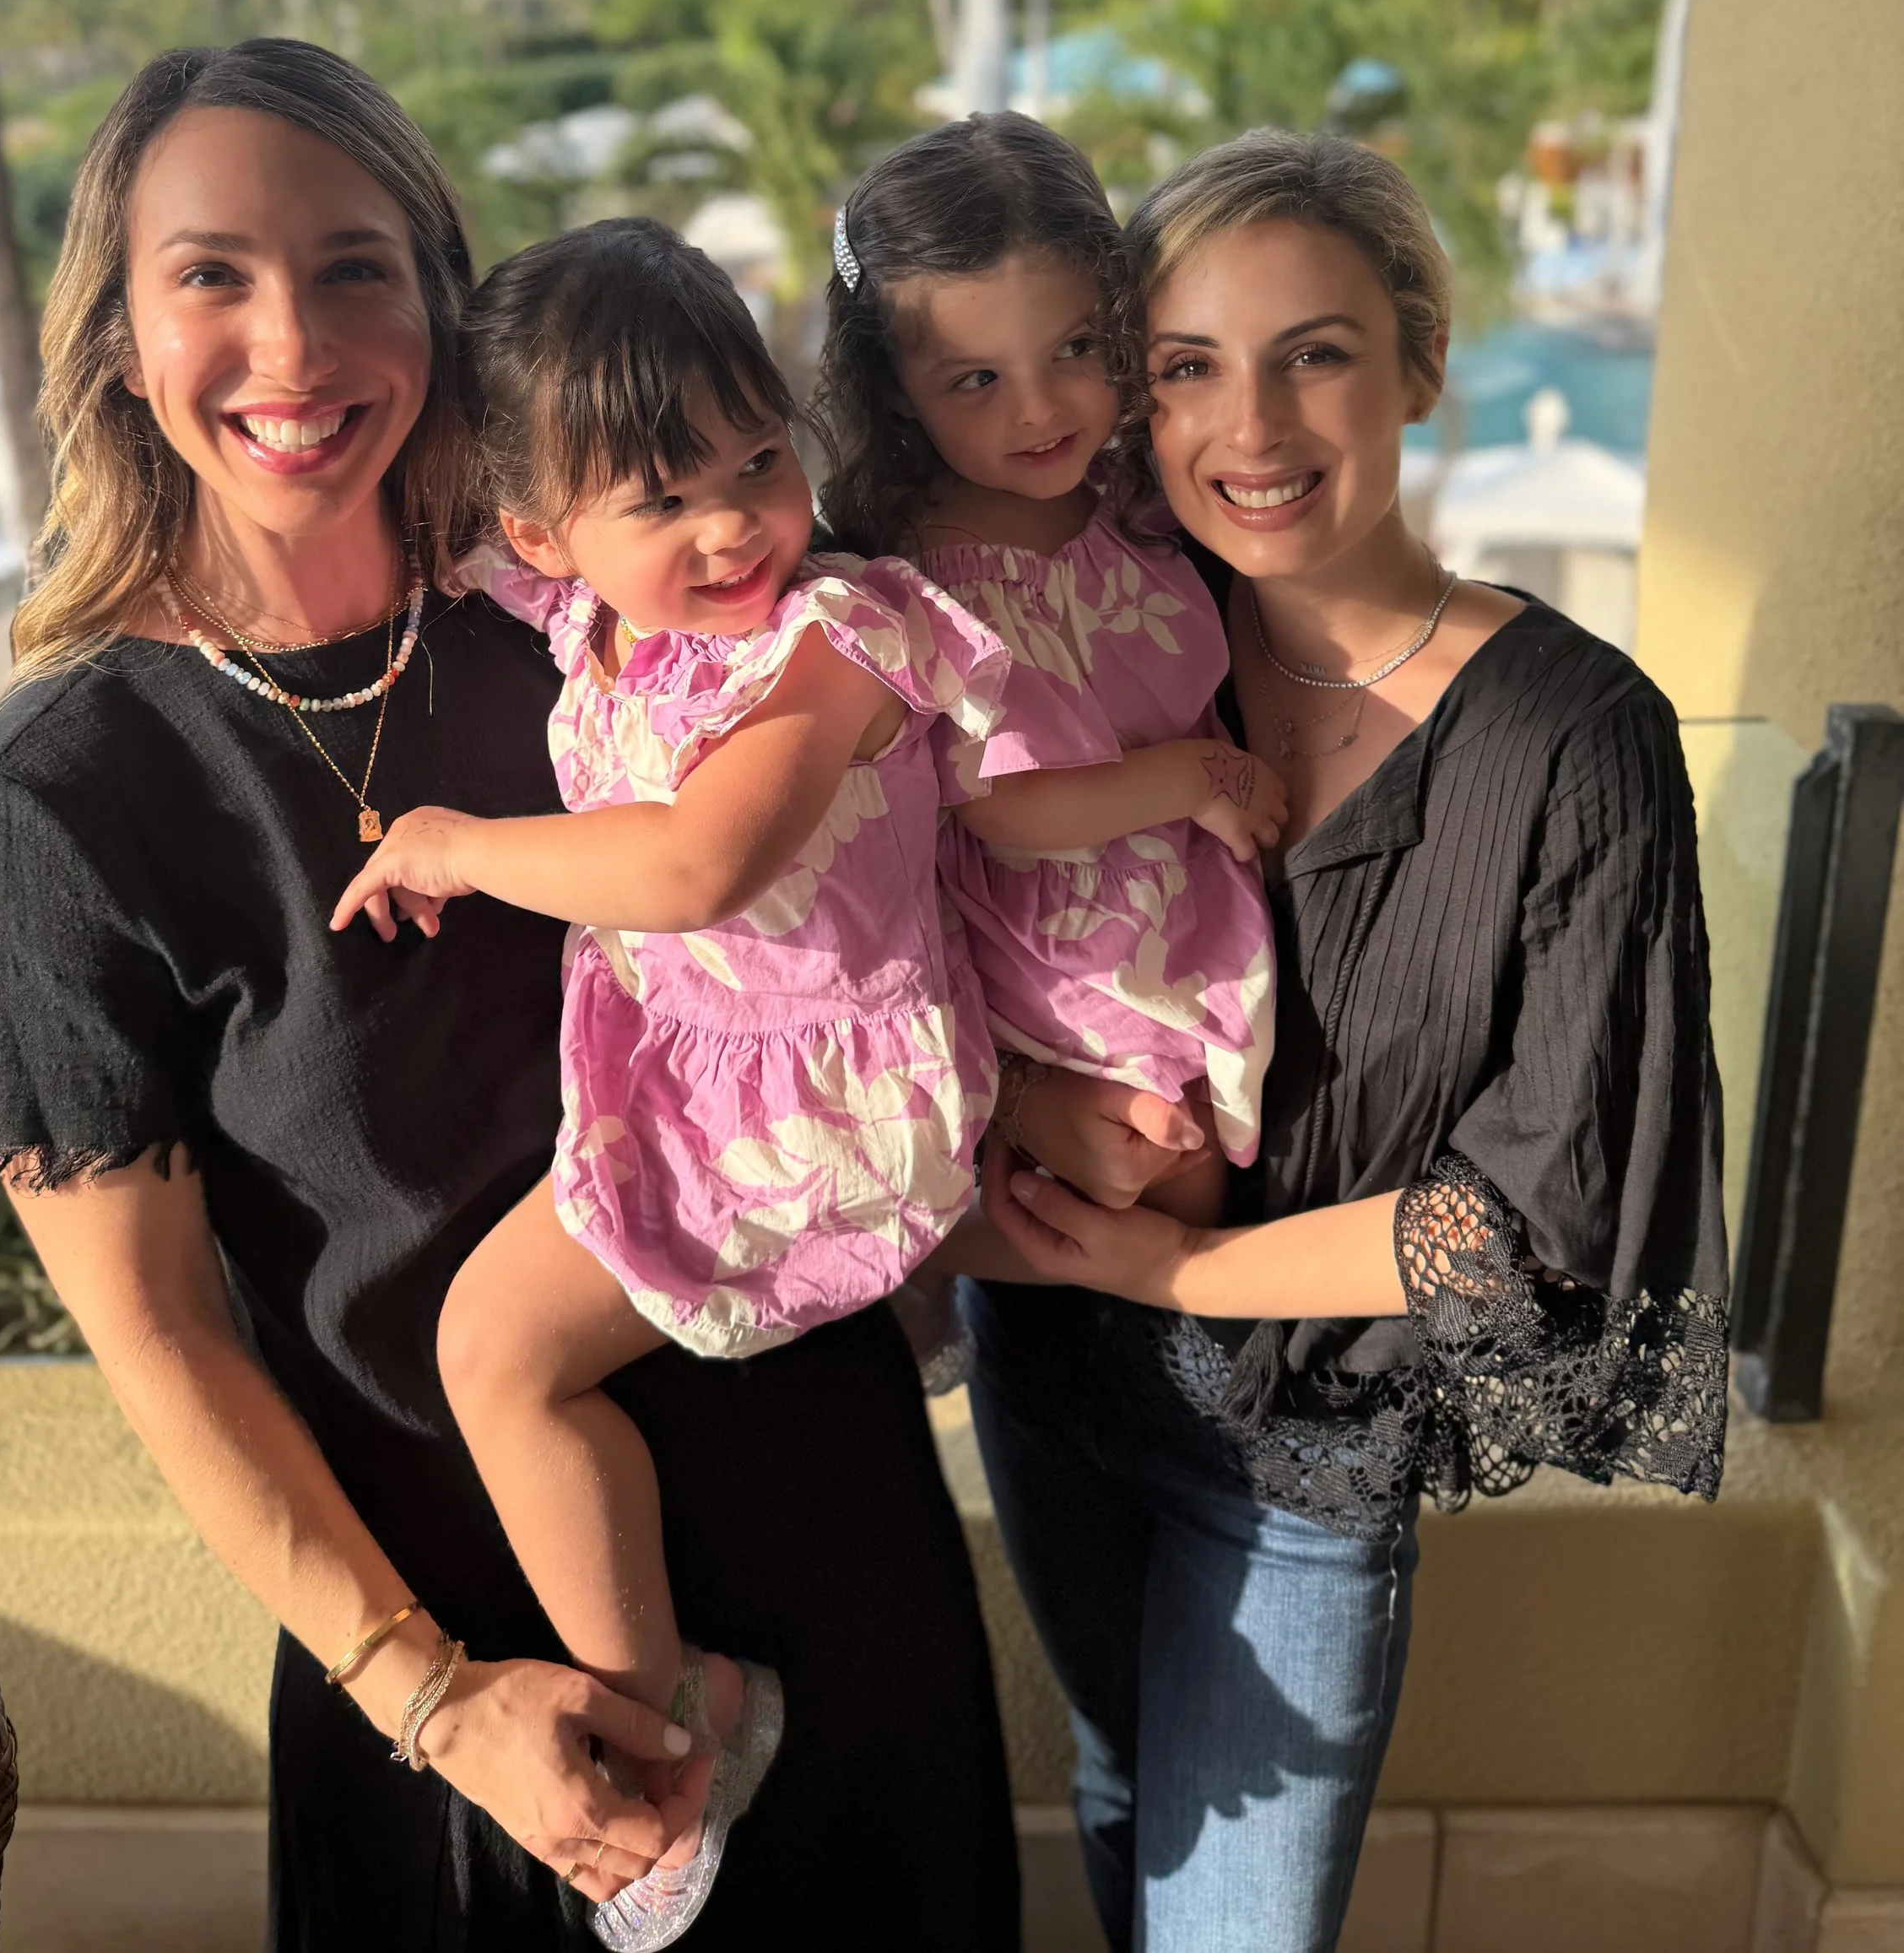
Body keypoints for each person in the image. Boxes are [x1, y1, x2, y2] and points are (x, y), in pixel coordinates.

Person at [0, 39, 1020, 1952]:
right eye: (213, 275)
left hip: (838, 1560)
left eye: (355, 265)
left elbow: (921, 877)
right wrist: (429, 1696)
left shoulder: (616, 612)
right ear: (113, 334)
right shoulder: (52, 806)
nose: (294, 341)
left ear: (441, 300)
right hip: (491, 1696)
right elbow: (167, 1343)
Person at [968, 127, 1728, 1953]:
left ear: (1416, 368)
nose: (1254, 425)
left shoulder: (1569, 740)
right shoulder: (1114, 654)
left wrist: (1179, 1254)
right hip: (1052, 1375)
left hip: (1302, 1446)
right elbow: (887, 937)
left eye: (1312, 351)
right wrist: (1037, 1112)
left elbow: (1524, 1224)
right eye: (1186, 366)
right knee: (1120, 1775)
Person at [328, 215, 1013, 1945]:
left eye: (756, 457)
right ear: (549, 533)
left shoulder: (837, 635)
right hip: (698, 1075)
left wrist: (464, 845)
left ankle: (668, 1722)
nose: (731, 522)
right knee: (504, 1359)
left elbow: (707, 863)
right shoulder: (586, 610)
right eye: (663, 495)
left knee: (497, 1353)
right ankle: (667, 1706)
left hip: (815, 1102)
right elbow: (415, 529)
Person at [814, 111, 1282, 1205]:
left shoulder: (1128, 499)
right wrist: (1189, 778)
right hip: (1060, 937)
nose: (1039, 409)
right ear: (894, 390)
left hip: (1177, 893)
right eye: (976, 380)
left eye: (1076, 349)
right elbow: (999, 806)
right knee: (1170, 1164)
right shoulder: (929, 572)